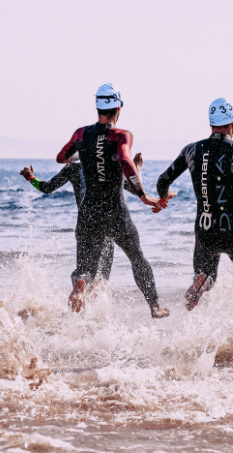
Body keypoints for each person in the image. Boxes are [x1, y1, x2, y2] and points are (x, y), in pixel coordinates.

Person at [156, 97, 233, 345]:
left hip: (205, 230)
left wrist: (163, 198)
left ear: (211, 124)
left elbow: (163, 179)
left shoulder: (191, 150)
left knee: (208, 277)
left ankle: (202, 281)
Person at [55, 83, 171, 319]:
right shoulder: (121, 135)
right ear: (118, 109)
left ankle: (79, 287)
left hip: (88, 212)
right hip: (114, 211)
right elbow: (125, 161)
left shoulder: (81, 134)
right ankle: (155, 307)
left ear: (98, 107)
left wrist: (87, 151)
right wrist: (143, 195)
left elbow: (61, 158)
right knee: (137, 258)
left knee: (85, 266)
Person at [20, 153, 174, 281]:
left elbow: (46, 187)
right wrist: (137, 168)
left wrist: (31, 178)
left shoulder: (72, 167)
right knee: (102, 276)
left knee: (83, 271)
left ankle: (79, 290)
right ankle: (96, 305)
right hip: (108, 221)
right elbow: (136, 189)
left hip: (85, 223)